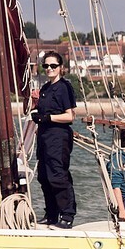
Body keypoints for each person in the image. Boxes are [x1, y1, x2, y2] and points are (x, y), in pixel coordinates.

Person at [32, 51, 77, 229]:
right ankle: (51, 214)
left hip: (58, 138)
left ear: (60, 68)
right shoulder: (45, 88)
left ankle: (67, 214)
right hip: (44, 137)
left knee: (58, 175)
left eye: (53, 66)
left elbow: (70, 116)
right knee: (43, 176)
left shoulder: (64, 87)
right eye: (46, 66)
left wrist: (48, 119)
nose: (49, 69)